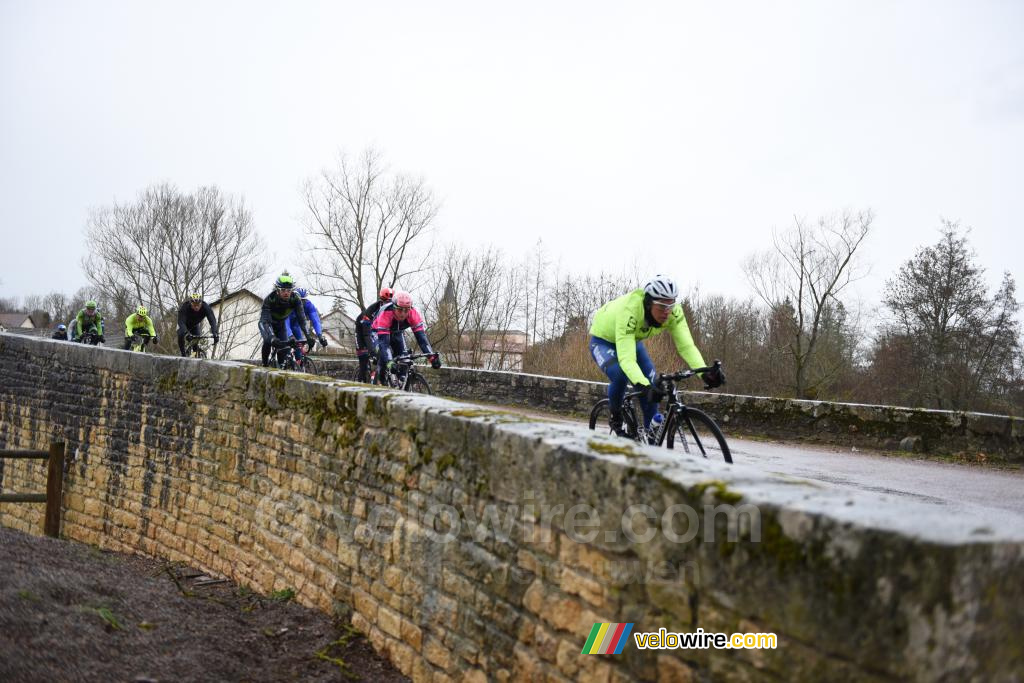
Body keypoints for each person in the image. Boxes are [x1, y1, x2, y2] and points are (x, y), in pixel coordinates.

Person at [589, 275, 724, 438]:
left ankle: (649, 439)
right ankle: (615, 416)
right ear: (648, 302)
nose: (667, 311)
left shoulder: (673, 313)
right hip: (603, 341)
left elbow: (687, 346)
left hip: (632, 341)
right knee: (620, 375)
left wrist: (704, 373)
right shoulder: (630, 311)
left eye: (671, 305)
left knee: (653, 387)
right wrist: (643, 384)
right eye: (661, 306)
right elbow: (627, 359)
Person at [372, 290, 441, 383]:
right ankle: (380, 383)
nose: (403, 313)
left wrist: (432, 358)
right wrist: (390, 362)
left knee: (405, 359)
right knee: (383, 356)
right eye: (400, 309)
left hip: (397, 333)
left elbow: (422, 339)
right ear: (394, 307)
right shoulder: (386, 313)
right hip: (378, 333)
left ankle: (401, 384)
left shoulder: (413, 314)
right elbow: (384, 343)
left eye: (406, 310)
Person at [258, 274, 311, 367]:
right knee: (268, 341)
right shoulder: (270, 299)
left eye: (289, 290)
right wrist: (271, 337)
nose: (286, 293)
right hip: (267, 323)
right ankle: (264, 365)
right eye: (283, 290)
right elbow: (265, 320)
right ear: (277, 290)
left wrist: (308, 336)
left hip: (280, 324)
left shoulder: (295, 299)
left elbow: (302, 319)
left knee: (284, 349)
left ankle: (281, 367)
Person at [354, 286, 394, 382]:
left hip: (374, 331)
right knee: (364, 360)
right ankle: (359, 385)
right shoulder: (371, 311)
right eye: (386, 302)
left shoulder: (392, 311)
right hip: (361, 330)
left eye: (390, 303)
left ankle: (377, 379)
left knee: (383, 353)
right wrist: (372, 352)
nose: (388, 305)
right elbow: (367, 335)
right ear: (381, 301)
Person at [286, 288, 327, 359]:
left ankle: (298, 366)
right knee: (285, 349)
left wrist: (320, 335)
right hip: (284, 326)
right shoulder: (288, 304)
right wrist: (290, 335)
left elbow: (316, 321)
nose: (301, 303)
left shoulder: (308, 305)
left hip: (296, 326)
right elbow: (285, 322)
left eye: (303, 300)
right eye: (300, 300)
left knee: (299, 350)